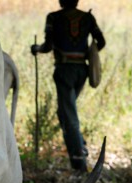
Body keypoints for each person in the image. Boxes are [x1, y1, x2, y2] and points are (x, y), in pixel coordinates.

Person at [31, 0, 106, 172]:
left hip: (64, 70)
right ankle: (80, 144)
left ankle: (79, 161)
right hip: (82, 70)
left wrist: (36, 48)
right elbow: (100, 42)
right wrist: (86, 53)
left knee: (69, 116)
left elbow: (48, 46)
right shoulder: (87, 18)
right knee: (65, 112)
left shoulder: (53, 18)